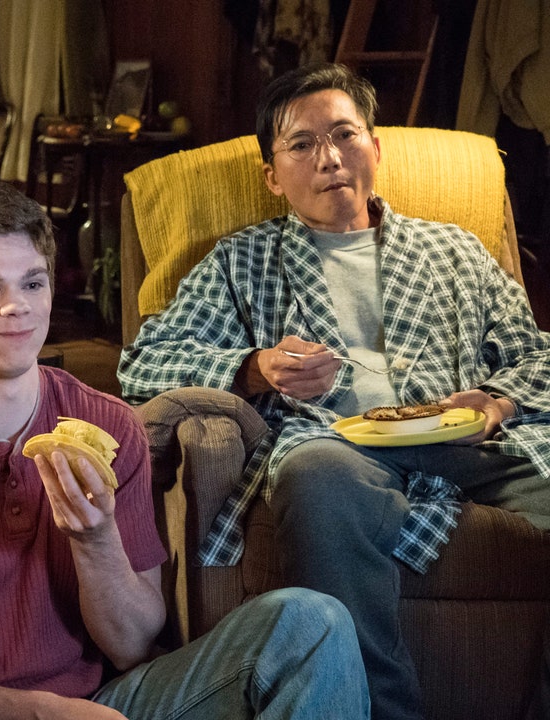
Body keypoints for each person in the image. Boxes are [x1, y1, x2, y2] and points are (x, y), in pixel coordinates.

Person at [0, 181, 368, 719]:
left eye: (32, 283)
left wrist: (96, 540)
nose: (17, 307)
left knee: (312, 621)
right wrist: (40, 714)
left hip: (104, 706)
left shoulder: (106, 424)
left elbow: (132, 646)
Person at [117, 62, 550, 720]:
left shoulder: (453, 250)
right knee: (313, 478)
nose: (330, 159)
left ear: (374, 148)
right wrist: (255, 367)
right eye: (301, 144)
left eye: (345, 135)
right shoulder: (243, 260)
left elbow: (533, 355)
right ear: (272, 174)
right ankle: (380, 710)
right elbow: (142, 364)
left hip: (466, 439)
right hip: (338, 444)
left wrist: (496, 401)